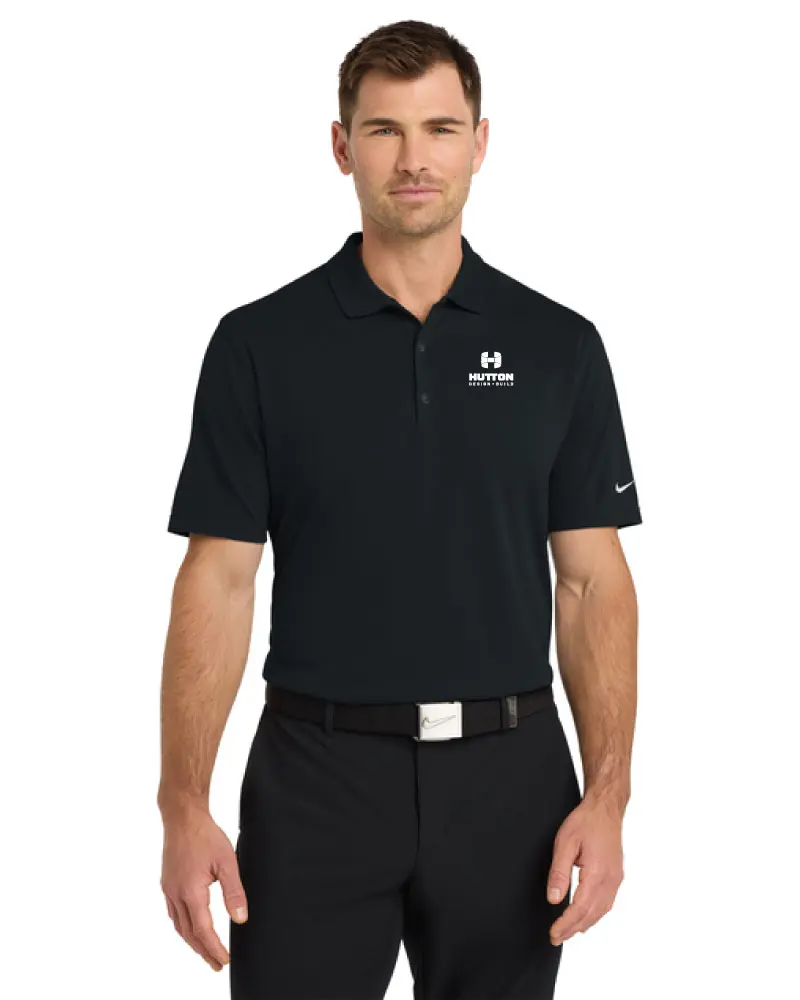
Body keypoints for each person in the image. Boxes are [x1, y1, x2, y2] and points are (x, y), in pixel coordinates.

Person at [158, 18, 642, 1000]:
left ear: (480, 143)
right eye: (384, 130)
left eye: (439, 128)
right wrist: (182, 803)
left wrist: (608, 796)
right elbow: (219, 579)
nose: (413, 158)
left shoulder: (559, 346)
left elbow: (591, 582)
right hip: (314, 778)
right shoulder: (259, 345)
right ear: (341, 147)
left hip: (511, 782)